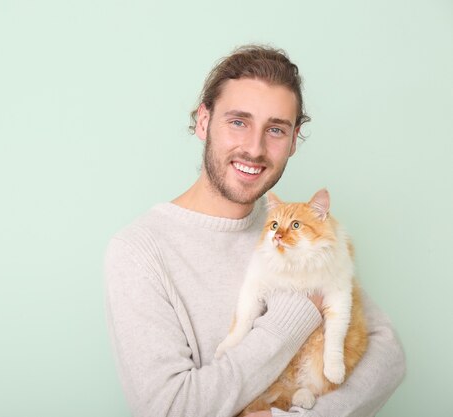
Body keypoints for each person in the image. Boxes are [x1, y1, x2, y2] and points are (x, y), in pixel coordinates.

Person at [104, 45, 405, 417]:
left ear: (294, 140)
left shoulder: (300, 235)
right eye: (238, 122)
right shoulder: (138, 251)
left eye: (275, 129)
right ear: (203, 122)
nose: (254, 148)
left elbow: (386, 351)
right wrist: (296, 314)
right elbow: (170, 408)